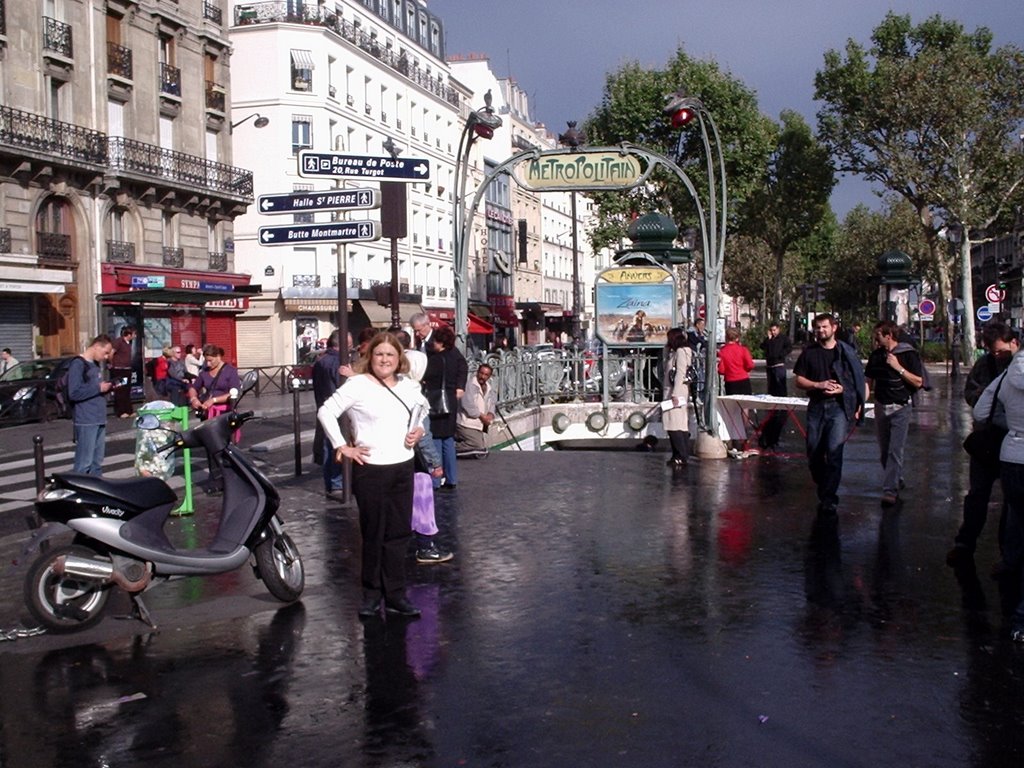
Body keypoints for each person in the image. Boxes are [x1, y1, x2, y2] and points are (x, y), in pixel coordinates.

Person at [317, 332, 427, 619]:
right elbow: (326, 412)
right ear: (370, 357)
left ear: (399, 358)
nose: (385, 360)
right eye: (380, 354)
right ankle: (371, 593)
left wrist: (419, 431)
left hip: (403, 465)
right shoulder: (358, 385)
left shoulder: (408, 385)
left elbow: (421, 410)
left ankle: (396, 594)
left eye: (390, 355)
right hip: (371, 468)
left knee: (399, 533)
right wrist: (343, 446)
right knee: (373, 532)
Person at [948, 322, 1020, 566]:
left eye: (1002, 351)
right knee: (978, 494)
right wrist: (982, 395)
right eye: (993, 352)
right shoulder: (985, 365)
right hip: (988, 440)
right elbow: (971, 394)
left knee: (1011, 505)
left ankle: (1006, 555)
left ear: (1015, 343)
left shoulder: (1018, 366)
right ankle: (965, 543)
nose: (998, 356)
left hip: (1010, 441)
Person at [793, 313, 867, 515]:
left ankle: (829, 498)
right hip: (816, 407)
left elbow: (858, 381)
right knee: (814, 453)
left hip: (838, 408)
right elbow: (799, 380)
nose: (820, 331)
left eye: (824, 327)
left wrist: (845, 391)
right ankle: (824, 486)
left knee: (834, 453)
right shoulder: (809, 353)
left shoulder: (846, 352)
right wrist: (818, 384)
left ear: (834, 328)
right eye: (817, 327)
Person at [973, 349, 1024, 642]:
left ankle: (1011, 580)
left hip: (1011, 459)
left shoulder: (1009, 372)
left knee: (1017, 520)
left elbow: (981, 411)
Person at [864, 320, 924, 505]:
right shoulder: (876, 356)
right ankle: (896, 478)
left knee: (894, 451)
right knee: (884, 451)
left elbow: (918, 382)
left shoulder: (908, 354)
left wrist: (898, 367)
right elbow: (868, 381)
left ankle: (890, 491)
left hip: (901, 407)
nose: (875, 340)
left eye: (878, 336)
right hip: (881, 406)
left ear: (888, 336)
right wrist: (860, 403)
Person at [405, 348, 454, 565]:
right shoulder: (415, 395)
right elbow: (422, 435)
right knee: (422, 503)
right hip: (414, 461)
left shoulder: (395, 388)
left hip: (392, 460)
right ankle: (426, 547)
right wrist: (435, 463)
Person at [186, 344, 241, 493]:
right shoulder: (204, 372)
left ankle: (229, 480)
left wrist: (214, 400)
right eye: (206, 360)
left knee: (224, 447)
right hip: (207, 414)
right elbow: (193, 387)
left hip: (224, 414)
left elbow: (234, 392)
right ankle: (215, 480)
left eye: (210, 360)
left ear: (218, 357)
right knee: (211, 448)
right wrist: (194, 399)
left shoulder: (230, 371)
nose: (208, 364)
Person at [422, 325, 468, 490]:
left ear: (440, 342)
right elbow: (464, 367)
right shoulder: (455, 355)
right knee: (448, 439)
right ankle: (452, 477)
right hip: (451, 400)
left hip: (437, 401)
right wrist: (459, 386)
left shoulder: (435, 359)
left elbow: (426, 376)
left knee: (435, 439)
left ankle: (435, 479)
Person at [67, 335, 114, 475]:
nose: (106, 357)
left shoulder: (94, 364)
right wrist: (98, 389)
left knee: (96, 462)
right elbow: (74, 393)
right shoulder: (78, 364)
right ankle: (79, 492)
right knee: (84, 463)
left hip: (98, 416)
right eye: (105, 352)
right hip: (86, 418)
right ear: (97, 346)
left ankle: (96, 492)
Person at [313, 331, 345, 500]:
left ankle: (332, 483)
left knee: (329, 445)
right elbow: (342, 387)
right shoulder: (339, 362)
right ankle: (337, 483)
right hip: (338, 410)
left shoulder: (320, 361)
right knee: (336, 446)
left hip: (323, 405)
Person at [759, 322, 793, 450]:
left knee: (780, 383)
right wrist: (768, 339)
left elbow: (789, 347)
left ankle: (782, 401)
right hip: (770, 365)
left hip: (779, 364)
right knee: (772, 384)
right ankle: (772, 398)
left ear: (778, 329)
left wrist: (781, 354)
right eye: (771, 330)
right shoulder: (769, 340)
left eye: (774, 330)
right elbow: (763, 347)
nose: (773, 332)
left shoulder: (783, 339)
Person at [663, 327, 693, 467]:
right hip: (677, 390)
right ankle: (678, 454)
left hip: (676, 391)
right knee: (678, 423)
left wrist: (675, 393)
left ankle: (681, 454)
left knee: (674, 423)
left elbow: (680, 372)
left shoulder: (681, 352)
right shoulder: (678, 352)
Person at [456, 363, 496, 458]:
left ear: (489, 376)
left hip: (480, 424)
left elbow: (492, 404)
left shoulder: (490, 388)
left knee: (480, 447)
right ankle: (451, 447)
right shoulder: (469, 385)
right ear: (477, 372)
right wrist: (482, 417)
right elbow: (468, 405)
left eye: (486, 375)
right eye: (481, 373)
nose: (482, 376)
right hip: (466, 422)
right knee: (477, 445)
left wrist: (490, 414)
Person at [110, 325, 135, 418]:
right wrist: (111, 364)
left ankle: (128, 410)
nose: (135, 336)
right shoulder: (119, 342)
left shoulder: (129, 343)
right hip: (119, 370)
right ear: (129, 334)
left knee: (127, 390)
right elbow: (111, 353)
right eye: (134, 334)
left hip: (127, 369)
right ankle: (120, 411)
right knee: (120, 390)